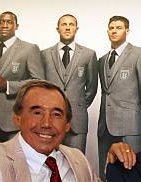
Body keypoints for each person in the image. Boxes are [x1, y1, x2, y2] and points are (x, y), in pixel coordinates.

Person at [98, 15, 141, 179]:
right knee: (107, 172)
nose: (114, 31)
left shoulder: (140, 54)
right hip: (105, 126)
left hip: (130, 123)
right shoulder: (102, 60)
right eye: (111, 28)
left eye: (119, 28)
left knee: (135, 170)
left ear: (127, 31)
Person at [0, 11, 44, 144]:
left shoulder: (29, 49)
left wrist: (8, 85)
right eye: (2, 22)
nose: (5, 25)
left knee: (14, 162)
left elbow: (38, 81)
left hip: (13, 120)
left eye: (9, 22)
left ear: (17, 26)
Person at [41, 14, 98, 152]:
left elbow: (92, 87)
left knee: (76, 163)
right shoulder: (44, 54)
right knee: (50, 161)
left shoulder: (88, 55)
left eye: (71, 24)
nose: (67, 28)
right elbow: (41, 86)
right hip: (50, 118)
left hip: (77, 120)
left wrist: (78, 104)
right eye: (64, 24)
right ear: (57, 28)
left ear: (76, 29)